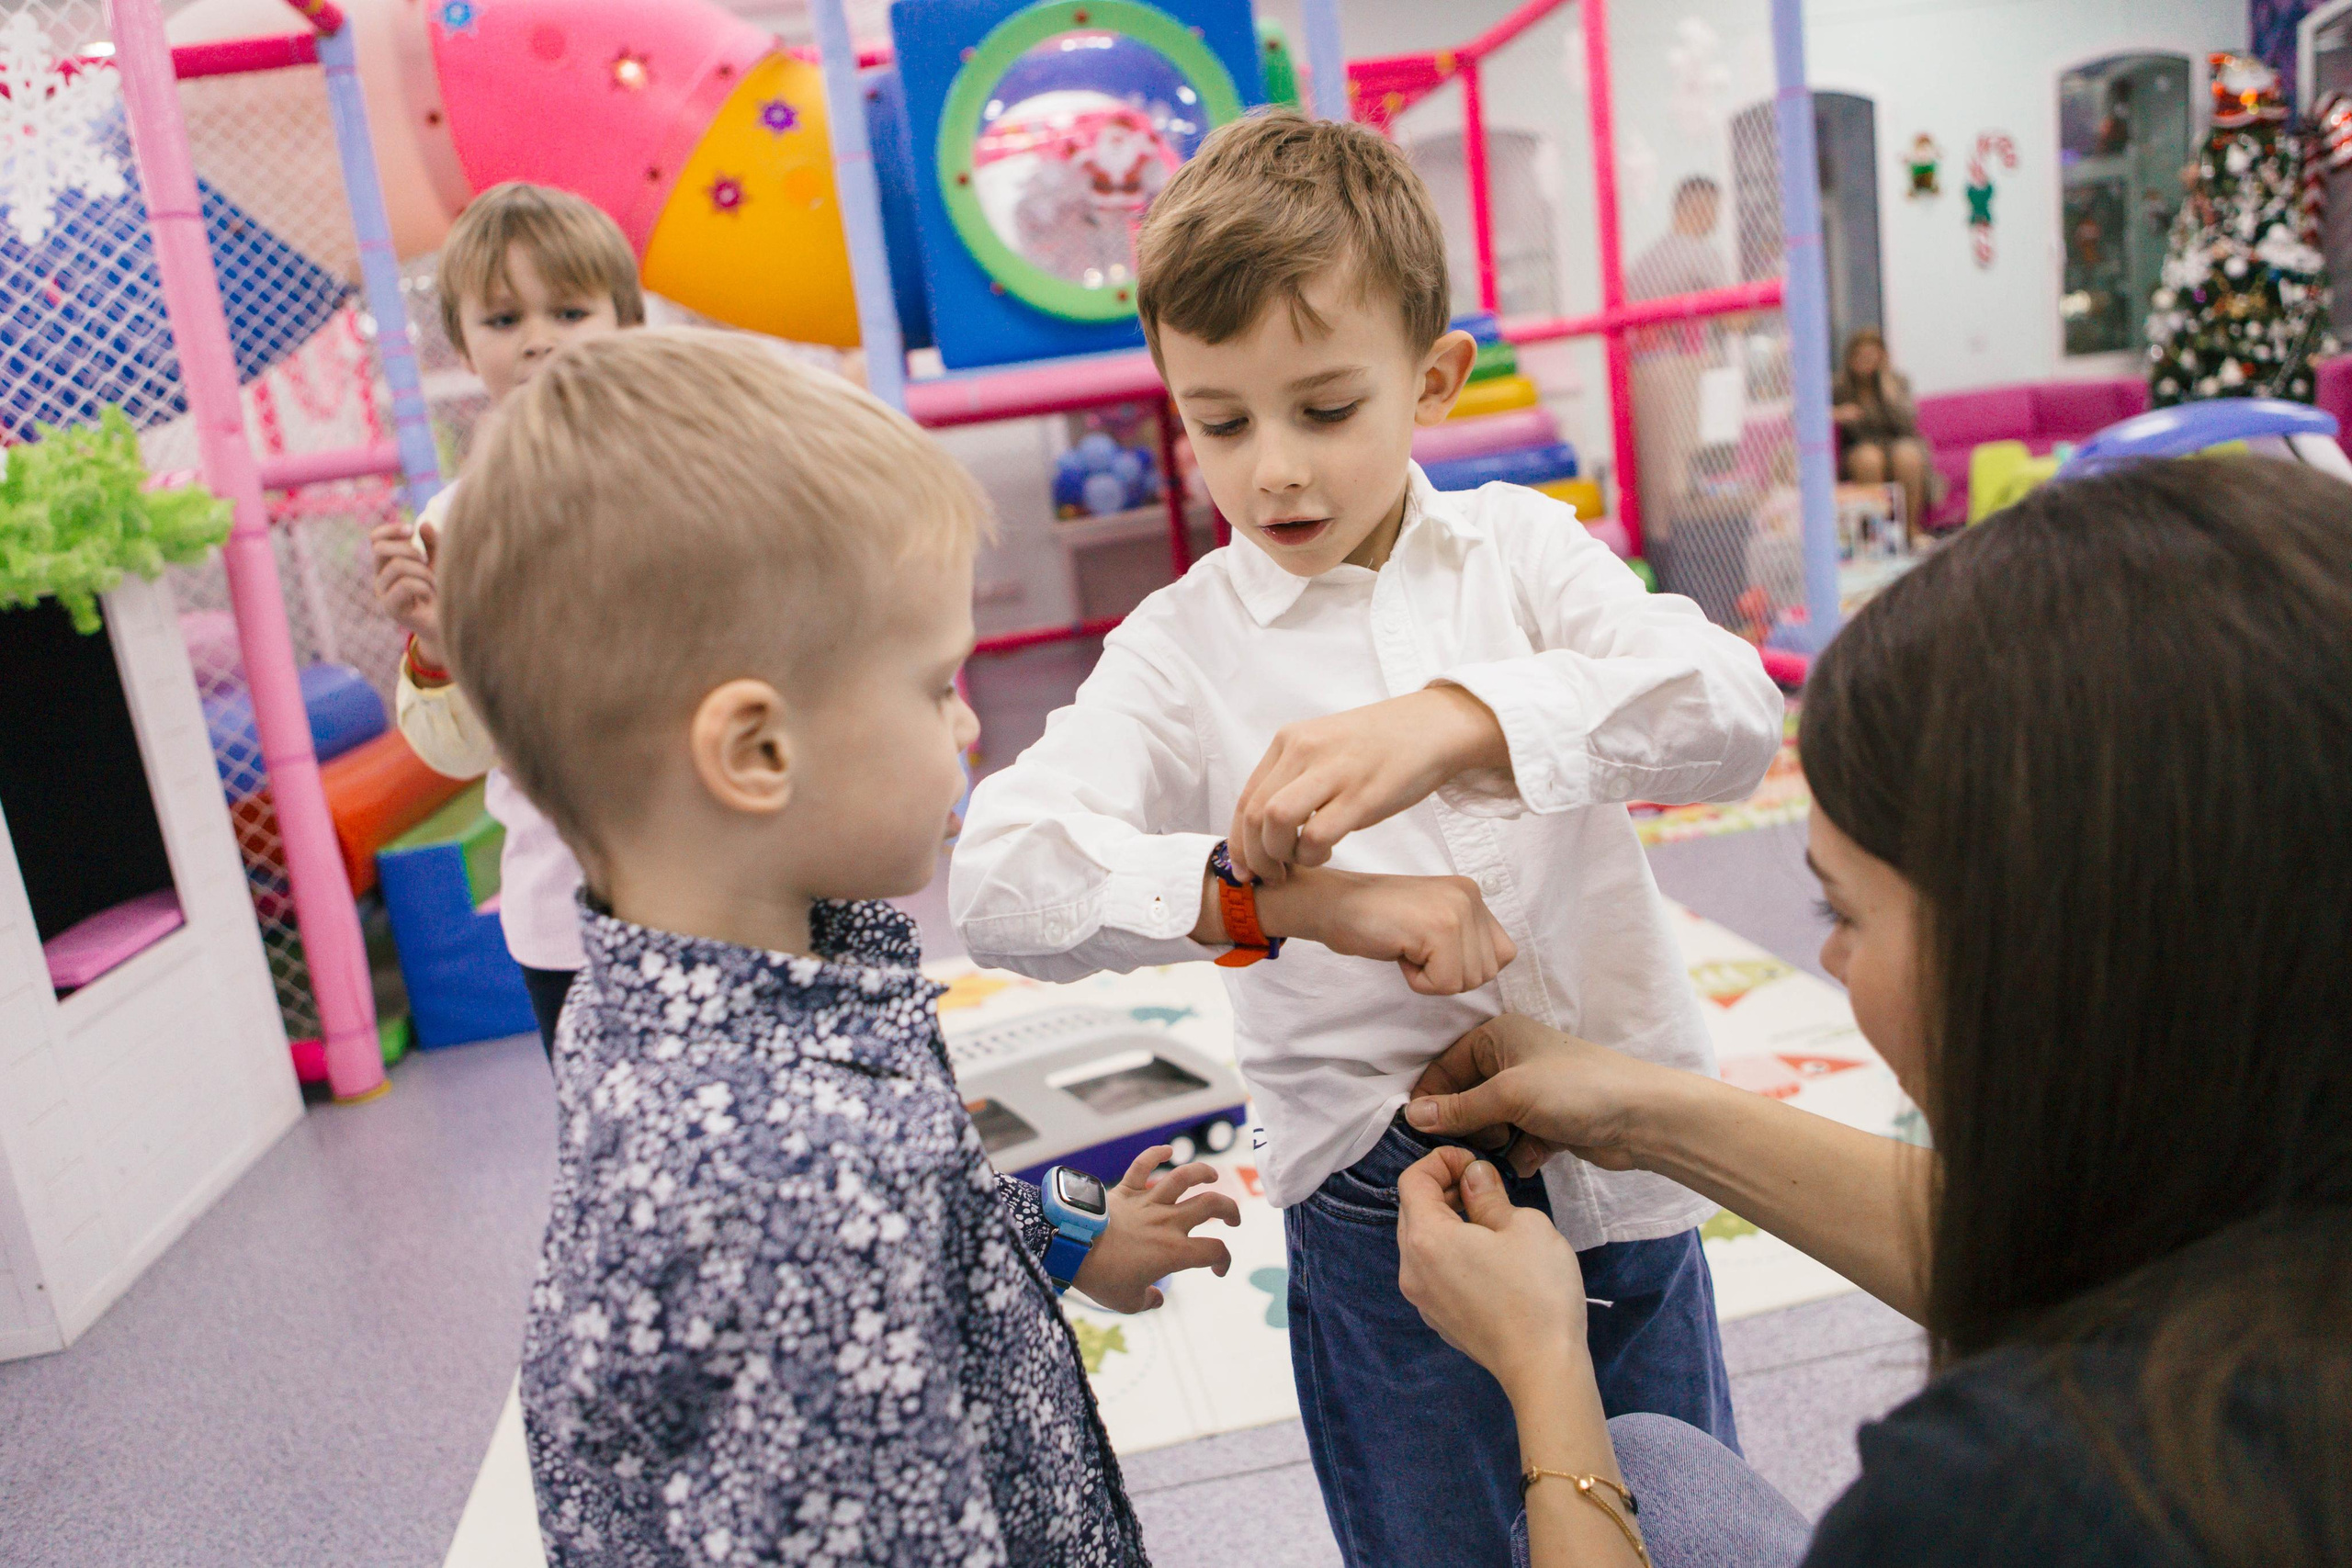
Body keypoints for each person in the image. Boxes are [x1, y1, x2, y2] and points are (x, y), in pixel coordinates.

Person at [951, 112, 1785, 1567]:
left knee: (1679, 1518)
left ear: (1434, 378)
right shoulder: (1181, 645)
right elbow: (1003, 877)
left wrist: (1462, 718)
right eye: (1220, 421)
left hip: (1622, 1157)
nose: (1272, 472)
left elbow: (1728, 712)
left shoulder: (1521, 553)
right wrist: (1300, 901)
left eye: (1324, 409)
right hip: (1379, 1208)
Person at [1396, 456, 2352, 1566]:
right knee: (1662, 1464)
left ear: (2049, 957)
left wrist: (1545, 1367)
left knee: (1639, 1471)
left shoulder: (2005, 1499)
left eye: (1841, 909)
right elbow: (2046, 1251)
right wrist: (1643, 1111)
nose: (1833, 959)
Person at [434, 329, 1241, 1565]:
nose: (967, 719)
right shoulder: (797, 1188)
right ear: (758, 752)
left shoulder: (687, 1003)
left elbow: (935, 1215)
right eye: (933, 685)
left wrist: (1071, 1245)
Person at [368, 182, 644, 1058]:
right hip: (568, 913)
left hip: (737, 891)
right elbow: (454, 753)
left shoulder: (690, 479)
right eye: (502, 320)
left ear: (625, 321)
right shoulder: (455, 524)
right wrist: (445, 647)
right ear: (463, 344)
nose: (539, 340)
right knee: (622, 1154)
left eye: (570, 310)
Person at [1624, 176, 1732, 533]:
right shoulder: (1702, 254)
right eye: (1714, 210)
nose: (1715, 220)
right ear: (1699, 207)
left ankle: (1664, 549)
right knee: (1694, 472)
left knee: (1660, 477)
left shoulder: (1645, 262)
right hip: (1688, 371)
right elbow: (1734, 320)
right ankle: (1700, 546)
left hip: (1644, 374)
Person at [1832, 328, 1934, 528]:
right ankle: (1877, 533)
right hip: (1860, 446)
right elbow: (1806, 414)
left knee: (1908, 456)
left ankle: (1911, 530)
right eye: (1860, 356)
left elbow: (1908, 422)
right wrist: (1836, 413)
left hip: (1898, 442)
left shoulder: (1897, 382)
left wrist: (1888, 389)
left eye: (1871, 356)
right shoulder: (1840, 387)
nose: (1865, 361)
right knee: (1868, 459)